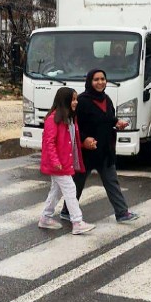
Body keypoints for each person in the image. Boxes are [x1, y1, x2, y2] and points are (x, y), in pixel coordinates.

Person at [60, 69, 139, 223]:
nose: (100, 82)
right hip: (86, 152)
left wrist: (117, 123)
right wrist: (83, 140)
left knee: (112, 182)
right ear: (90, 81)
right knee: (77, 183)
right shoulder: (82, 101)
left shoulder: (106, 99)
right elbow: (73, 125)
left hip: (105, 150)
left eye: (103, 79)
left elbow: (109, 118)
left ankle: (122, 213)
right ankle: (66, 211)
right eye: (96, 79)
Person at [38, 87, 96, 235]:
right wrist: (55, 161)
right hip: (58, 164)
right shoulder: (53, 119)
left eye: (76, 99)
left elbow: (72, 141)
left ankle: (45, 217)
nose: (76, 102)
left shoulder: (70, 119)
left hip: (64, 162)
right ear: (65, 101)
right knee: (70, 188)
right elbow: (49, 142)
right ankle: (77, 221)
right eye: (73, 99)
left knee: (56, 191)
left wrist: (83, 145)